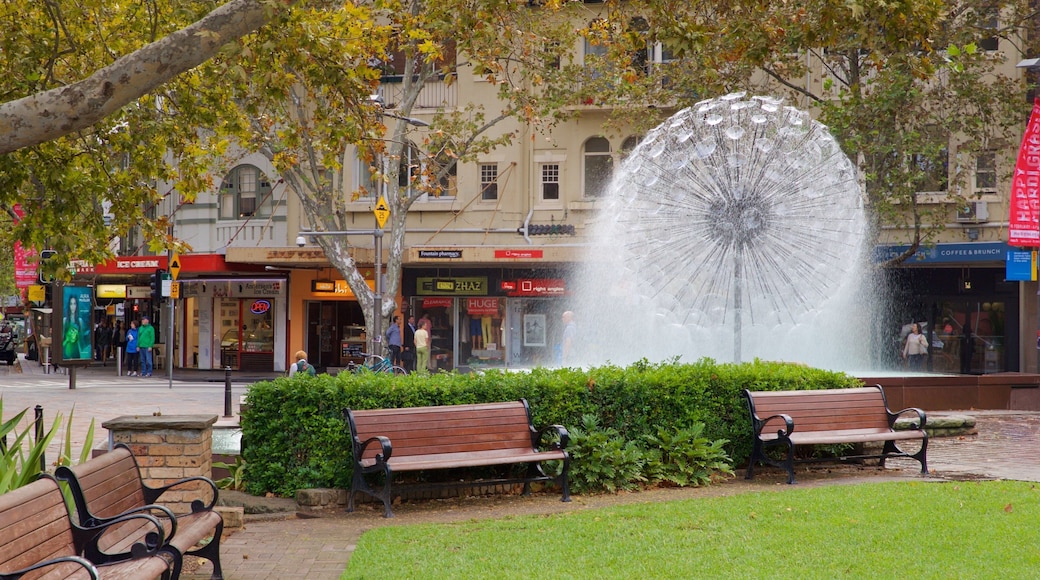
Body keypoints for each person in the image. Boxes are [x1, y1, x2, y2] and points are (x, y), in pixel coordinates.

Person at [62, 294, 90, 360]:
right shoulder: (65, 321)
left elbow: (82, 341)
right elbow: (61, 341)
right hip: (65, 353)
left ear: (77, 305)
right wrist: (67, 339)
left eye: (74, 304)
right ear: (69, 305)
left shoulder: (80, 321)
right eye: (71, 304)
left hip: (76, 353)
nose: (73, 306)